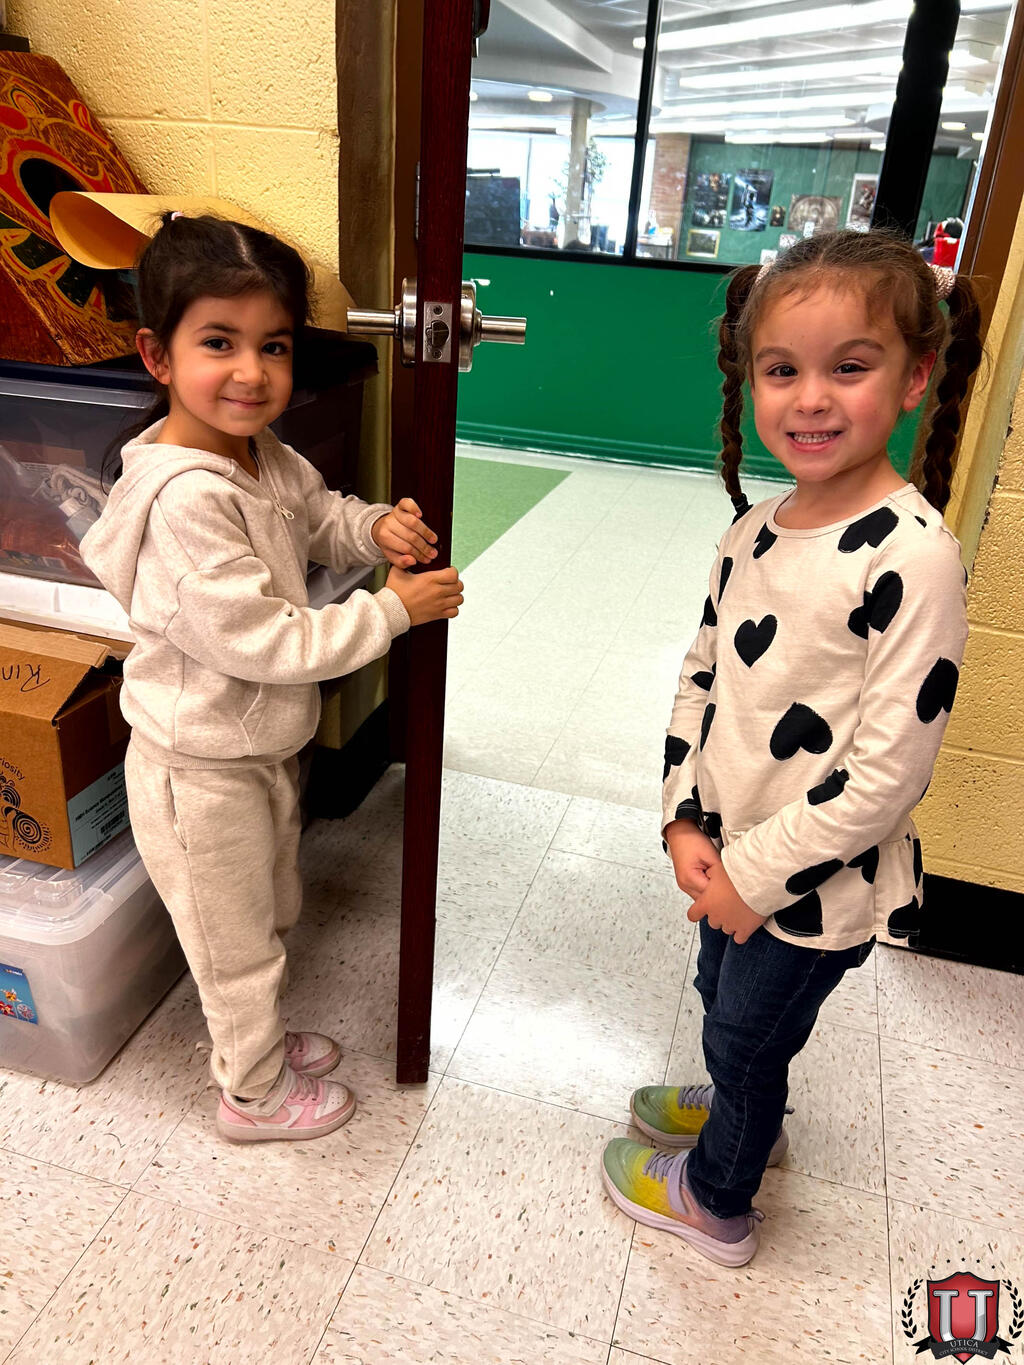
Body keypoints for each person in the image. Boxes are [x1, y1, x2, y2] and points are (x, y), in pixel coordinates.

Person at [601, 229, 982, 1266]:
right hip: (725, 856)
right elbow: (702, 676)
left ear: (914, 377)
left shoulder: (914, 558)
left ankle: (717, 1194)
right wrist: (682, 816)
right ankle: (742, 1110)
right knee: (721, 1003)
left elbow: (887, 775)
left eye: (848, 367)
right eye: (782, 370)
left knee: (748, 1034)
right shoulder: (753, 530)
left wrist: (754, 879)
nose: (811, 399)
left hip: (814, 893)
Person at [81, 214, 464, 1142]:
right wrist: (393, 612)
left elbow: (316, 513)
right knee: (234, 947)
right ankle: (251, 1095)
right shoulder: (184, 501)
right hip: (197, 770)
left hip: (254, 747)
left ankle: (258, 1046)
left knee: (267, 910)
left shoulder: (256, 453)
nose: (251, 372)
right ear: (157, 355)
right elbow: (266, 640)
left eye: (274, 346)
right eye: (219, 342)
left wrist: (372, 528)